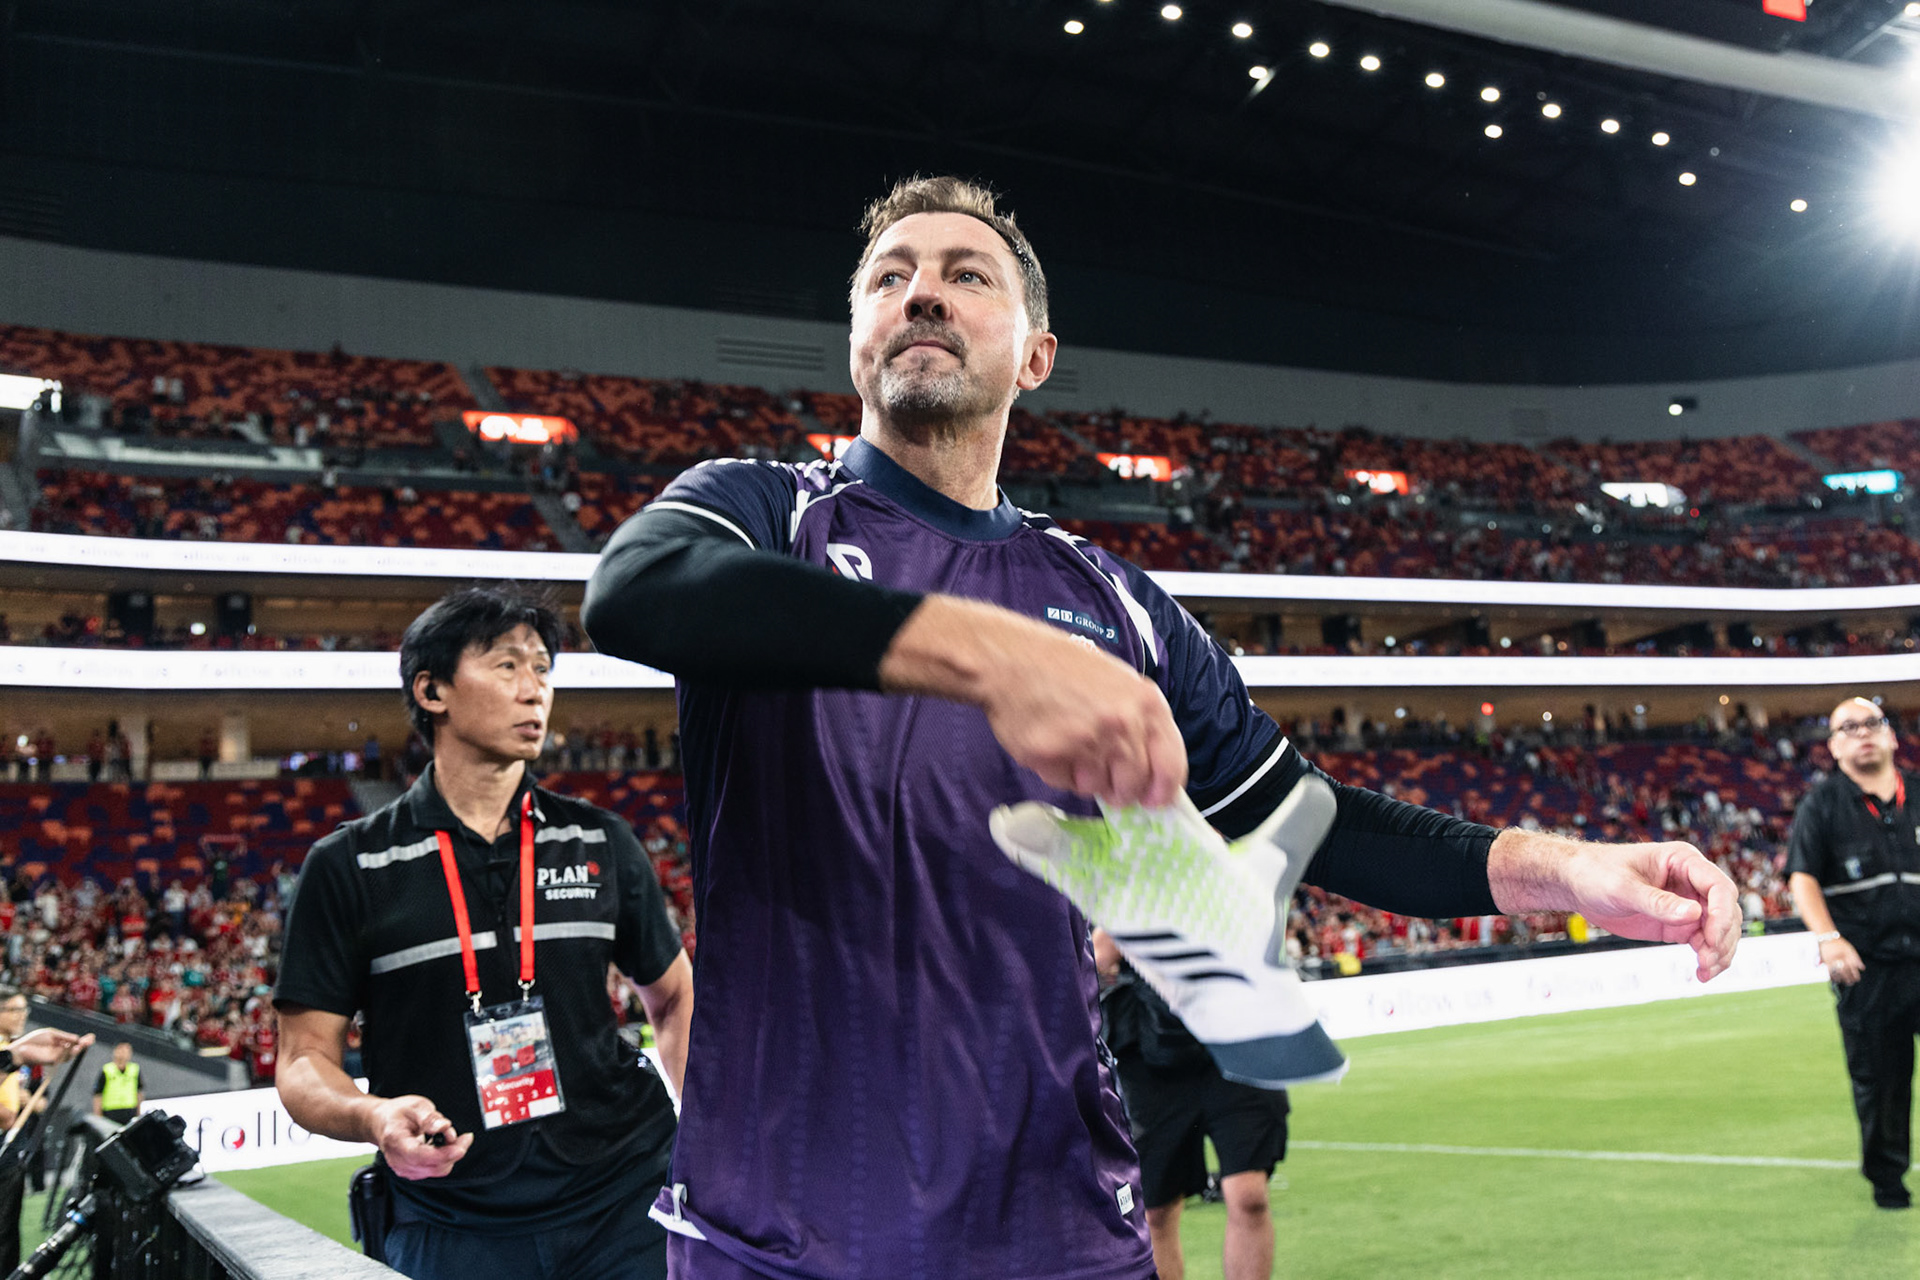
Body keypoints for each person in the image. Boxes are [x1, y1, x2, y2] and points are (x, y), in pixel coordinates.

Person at [582, 175, 1739, 1280]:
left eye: (967, 274)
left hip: (1059, 1221)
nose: (922, 291)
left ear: (1034, 355)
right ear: (856, 341)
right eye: (890, 276)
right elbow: (636, 588)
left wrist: (1571, 870)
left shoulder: (1116, 602)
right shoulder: (764, 509)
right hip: (787, 1227)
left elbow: (1317, 819)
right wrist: (985, 651)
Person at [275, 586, 693, 1280]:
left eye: (542, 669)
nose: (535, 691)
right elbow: (301, 1060)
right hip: (452, 1219)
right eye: (507, 666)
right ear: (432, 690)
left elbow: (674, 997)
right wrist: (374, 1116)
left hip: (626, 1197)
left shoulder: (598, 839)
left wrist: (710, 1138)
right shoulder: (351, 865)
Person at [1788, 697, 1920, 1208]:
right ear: (1834, 746)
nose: (1863, 733)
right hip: (1869, 969)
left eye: (1872, 723)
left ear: (1890, 735)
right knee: (1881, 1081)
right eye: (1849, 727)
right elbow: (1802, 879)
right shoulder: (1821, 806)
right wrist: (1828, 938)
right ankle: (1888, 1180)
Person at [1093, 929, 1284, 1280]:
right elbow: (1099, 953)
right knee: (1157, 1210)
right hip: (1154, 1052)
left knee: (1249, 1196)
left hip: (1238, 1041)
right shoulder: (1130, 883)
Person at [0, 987, 95, 1270]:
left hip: (10, 1142)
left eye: (24, 1010)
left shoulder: (8, 1048)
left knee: (6, 1231)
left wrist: (18, 1055)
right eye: (15, 1010)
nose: (22, 1016)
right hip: (7, 1138)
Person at [92, 1041, 143, 1124]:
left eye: (127, 1051)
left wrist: (138, 1112)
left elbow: (139, 1092)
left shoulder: (134, 1069)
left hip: (129, 1110)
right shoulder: (107, 1070)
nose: (125, 1054)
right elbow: (98, 1094)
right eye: (122, 1050)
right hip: (111, 1111)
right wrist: (98, 1116)